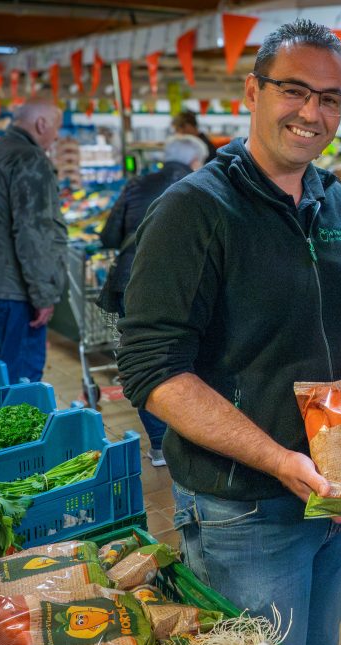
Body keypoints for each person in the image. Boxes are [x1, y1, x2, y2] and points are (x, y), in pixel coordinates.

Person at [116, 20, 341, 645]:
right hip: (243, 511)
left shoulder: (333, 199)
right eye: (295, 90)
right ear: (252, 90)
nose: (313, 112)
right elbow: (150, 369)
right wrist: (276, 458)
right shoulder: (195, 209)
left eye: (330, 97)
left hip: (333, 483)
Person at [99, 134, 207, 467]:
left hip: (132, 284)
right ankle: (196, 437)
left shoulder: (137, 184)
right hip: (188, 287)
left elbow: (109, 236)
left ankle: (160, 443)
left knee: (147, 360)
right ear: (194, 161)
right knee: (191, 361)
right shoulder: (204, 186)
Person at [0, 97, 65, 383]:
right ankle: (13, 429)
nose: (56, 136)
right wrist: (43, 295)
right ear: (41, 123)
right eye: (56, 128)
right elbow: (34, 233)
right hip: (12, 289)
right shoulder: (30, 159)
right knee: (22, 381)